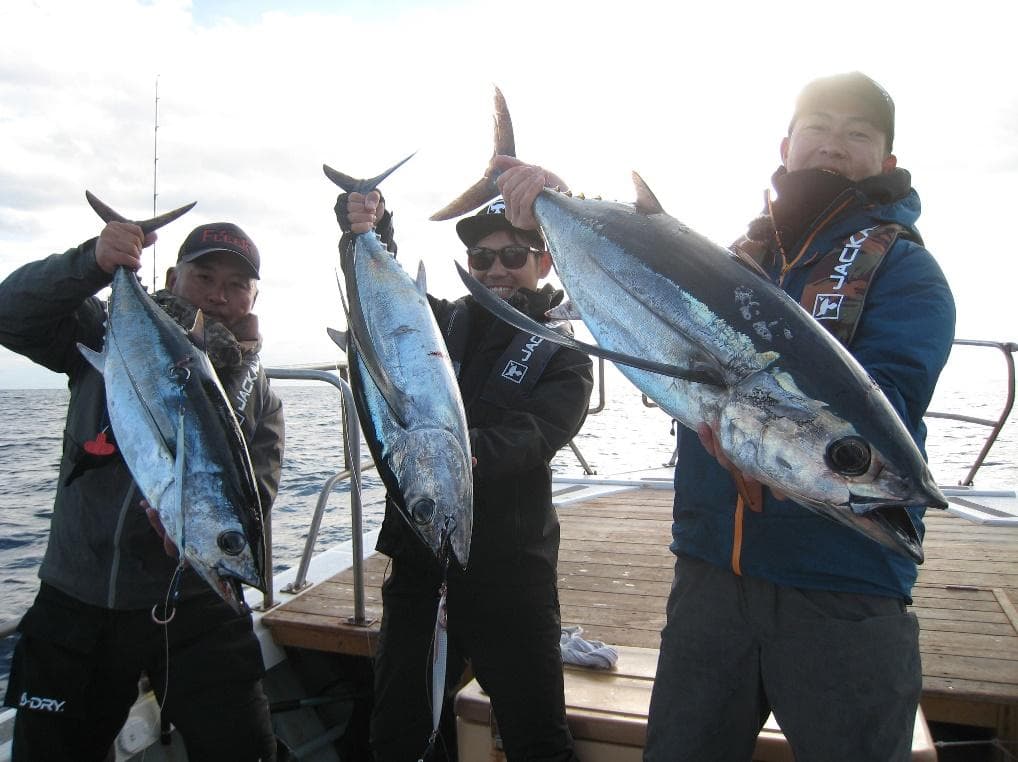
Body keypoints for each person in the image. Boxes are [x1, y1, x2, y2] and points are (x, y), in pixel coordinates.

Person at [496, 72, 956, 762]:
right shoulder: (739, 257)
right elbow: (637, 284)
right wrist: (552, 211)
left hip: (842, 590)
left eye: (858, 134)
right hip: (711, 576)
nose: (835, 144)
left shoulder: (907, 274)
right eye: (819, 127)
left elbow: (887, 397)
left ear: (887, 162)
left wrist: (840, 458)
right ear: (787, 144)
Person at [0, 218, 285, 761]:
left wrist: (200, 537)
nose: (219, 296)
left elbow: (257, 497)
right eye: (204, 276)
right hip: (82, 595)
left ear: (254, 296)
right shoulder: (102, 331)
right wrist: (92, 263)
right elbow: (8, 312)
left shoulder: (261, 396)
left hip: (199, 604)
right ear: (174, 276)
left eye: (235, 284)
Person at [337, 192, 594, 761]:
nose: (496, 269)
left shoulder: (565, 353)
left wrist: (461, 454)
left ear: (544, 260)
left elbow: (538, 433)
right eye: (481, 258)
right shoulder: (438, 321)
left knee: (536, 734)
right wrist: (368, 228)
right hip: (421, 560)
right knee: (399, 730)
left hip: (510, 569)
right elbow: (383, 305)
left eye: (512, 255)